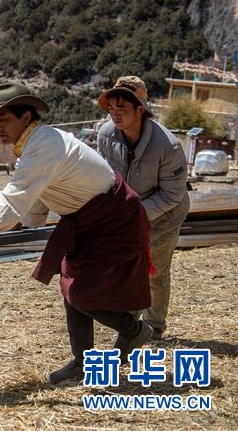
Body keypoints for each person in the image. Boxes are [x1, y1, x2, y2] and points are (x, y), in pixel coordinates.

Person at [0, 82, 154, 384]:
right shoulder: (34, 145)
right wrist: (28, 223)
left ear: (26, 117)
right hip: (89, 219)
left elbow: (13, 196)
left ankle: (134, 331)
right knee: (71, 286)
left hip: (114, 220)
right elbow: (38, 194)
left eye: (4, 119)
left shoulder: (44, 145)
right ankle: (82, 361)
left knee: (81, 293)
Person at [96, 76, 190, 340]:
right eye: (111, 109)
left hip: (164, 215)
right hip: (128, 214)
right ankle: (132, 328)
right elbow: (103, 175)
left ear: (141, 110)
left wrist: (131, 215)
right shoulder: (106, 135)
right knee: (128, 269)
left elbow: (172, 194)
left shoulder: (168, 146)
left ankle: (154, 326)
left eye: (122, 109)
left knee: (155, 271)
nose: (114, 115)